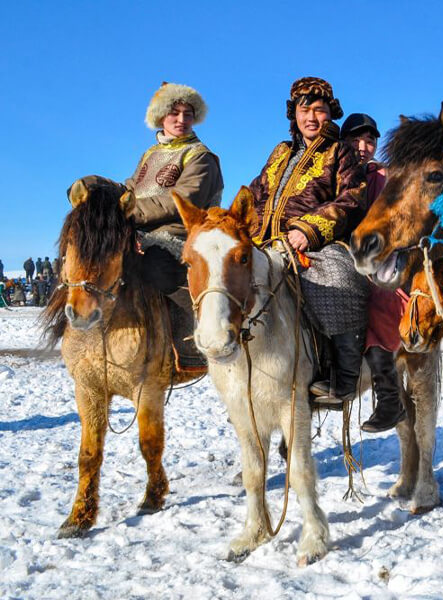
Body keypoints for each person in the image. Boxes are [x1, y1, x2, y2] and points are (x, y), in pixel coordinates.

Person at [72, 82, 223, 371]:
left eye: (188, 113)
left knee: (155, 264)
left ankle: (193, 339)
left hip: (182, 231)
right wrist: (96, 184)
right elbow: (131, 188)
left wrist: (123, 215)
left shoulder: (200, 156)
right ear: (160, 117)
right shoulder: (150, 154)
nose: (181, 119)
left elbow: (180, 201)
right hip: (143, 229)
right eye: (174, 113)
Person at [248, 77, 369, 409]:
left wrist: (308, 229)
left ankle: (343, 377)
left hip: (315, 243)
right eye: (305, 110)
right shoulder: (280, 152)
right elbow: (254, 193)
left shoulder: (340, 151)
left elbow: (352, 198)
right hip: (263, 242)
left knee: (338, 278)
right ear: (294, 115)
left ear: (331, 114)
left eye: (320, 110)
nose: (312, 117)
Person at [340, 113, 408, 432]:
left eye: (369, 141)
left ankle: (390, 397)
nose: (364, 147)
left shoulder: (384, 177)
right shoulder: (333, 171)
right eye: (356, 140)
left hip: (381, 260)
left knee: (380, 303)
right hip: (339, 253)